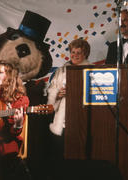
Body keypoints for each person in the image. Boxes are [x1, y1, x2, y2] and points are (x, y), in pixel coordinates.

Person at [46, 38, 92, 170]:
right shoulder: (61, 71)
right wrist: (59, 95)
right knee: (61, 158)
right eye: (73, 52)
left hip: (82, 119)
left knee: (80, 159)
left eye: (79, 52)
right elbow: (52, 94)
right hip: (62, 120)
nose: (75, 55)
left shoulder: (92, 70)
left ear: (85, 54)